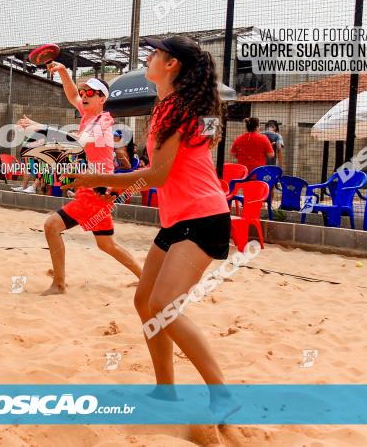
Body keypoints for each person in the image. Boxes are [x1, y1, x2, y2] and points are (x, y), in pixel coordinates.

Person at [64, 35, 238, 417]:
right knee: (144, 301)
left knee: (163, 305)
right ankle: (165, 391)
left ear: (172, 64)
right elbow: (172, 170)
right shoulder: (181, 106)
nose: (150, 57)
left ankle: (222, 395)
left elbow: (158, 175)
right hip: (180, 218)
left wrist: (96, 181)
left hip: (203, 218)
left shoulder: (174, 109)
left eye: (156, 53)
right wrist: (112, 189)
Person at [18, 69, 142, 295]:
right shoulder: (88, 116)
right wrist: (63, 72)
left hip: (96, 191)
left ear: (102, 98)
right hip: (97, 188)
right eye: (84, 91)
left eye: (91, 92)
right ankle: (145, 279)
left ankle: (58, 284)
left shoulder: (102, 122)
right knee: (107, 244)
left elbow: (77, 142)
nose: (84, 95)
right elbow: (72, 95)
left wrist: (39, 128)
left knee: (51, 226)